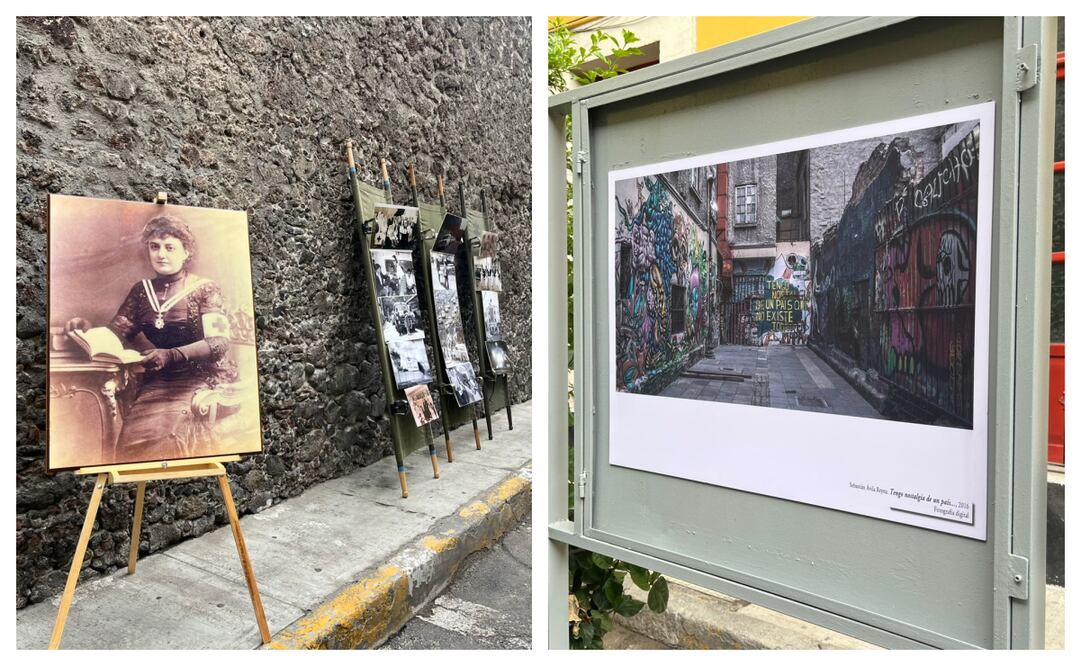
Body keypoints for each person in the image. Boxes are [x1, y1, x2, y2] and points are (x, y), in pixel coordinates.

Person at [105, 214, 233, 461]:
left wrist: (171, 354)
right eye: (155, 247)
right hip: (159, 381)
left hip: (200, 377)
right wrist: (92, 338)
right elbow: (117, 331)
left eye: (169, 247)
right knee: (130, 439)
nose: (161, 254)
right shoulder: (141, 292)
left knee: (167, 434)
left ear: (186, 252)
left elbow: (219, 343)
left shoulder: (205, 289)